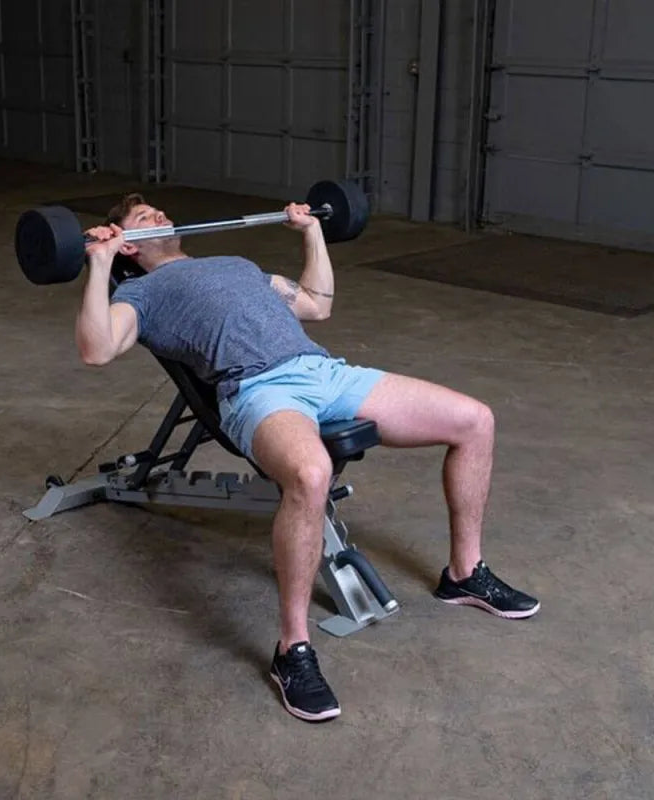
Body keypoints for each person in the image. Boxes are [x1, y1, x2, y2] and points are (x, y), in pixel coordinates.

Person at [75, 192, 540, 723]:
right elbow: (97, 349)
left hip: (325, 373)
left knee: (475, 419)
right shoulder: (142, 292)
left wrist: (312, 230)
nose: (159, 216)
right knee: (311, 472)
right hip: (258, 392)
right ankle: (292, 649)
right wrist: (99, 263)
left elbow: (318, 304)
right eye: (142, 219)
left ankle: (464, 572)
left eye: (159, 212)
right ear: (129, 245)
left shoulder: (238, 265)